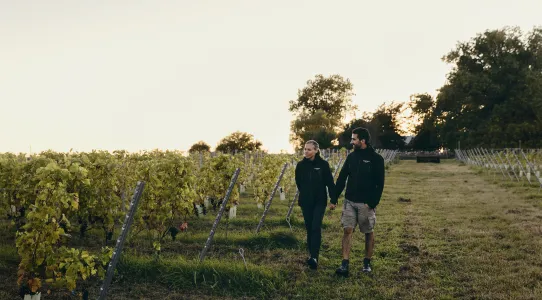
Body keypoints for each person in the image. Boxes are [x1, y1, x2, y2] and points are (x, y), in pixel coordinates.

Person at [329, 127, 385, 275]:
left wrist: (372, 203)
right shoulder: (351, 157)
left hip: (365, 203)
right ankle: (344, 264)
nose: (351, 141)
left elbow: (380, 184)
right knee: (347, 230)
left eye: (354, 139)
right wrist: (334, 198)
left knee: (368, 232)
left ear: (363, 141)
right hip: (349, 201)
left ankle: (367, 262)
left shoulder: (376, 159)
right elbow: (341, 179)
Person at [295, 140, 337, 270]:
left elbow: (330, 183)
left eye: (309, 149)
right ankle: (311, 255)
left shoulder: (323, 165)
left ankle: (314, 257)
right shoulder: (300, 165)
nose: (306, 152)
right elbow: (299, 183)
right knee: (309, 228)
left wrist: (333, 200)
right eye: (305, 149)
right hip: (306, 201)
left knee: (315, 226)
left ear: (316, 150)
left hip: (319, 201)